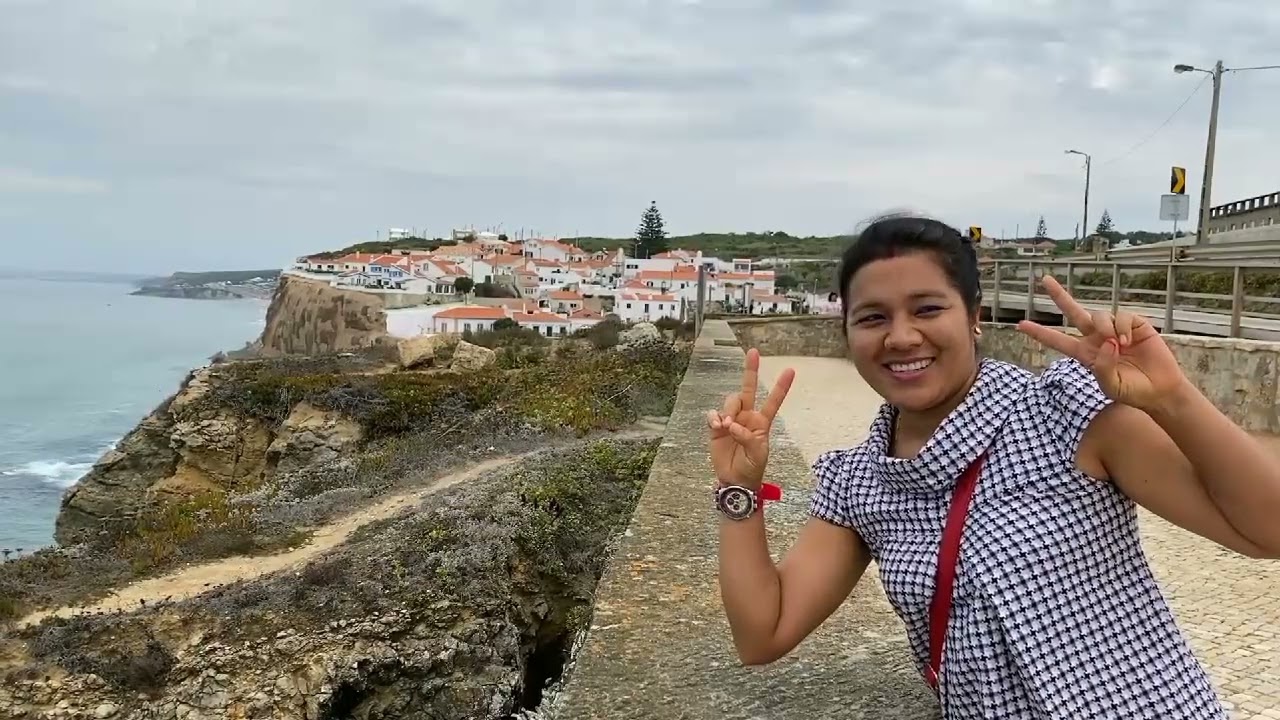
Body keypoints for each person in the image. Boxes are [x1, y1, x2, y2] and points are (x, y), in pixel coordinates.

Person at [707, 214, 1280, 719]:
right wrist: (739, 492)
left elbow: (1267, 530)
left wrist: (1172, 398)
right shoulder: (859, 480)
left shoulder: (1065, 413)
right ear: (848, 333)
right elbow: (763, 633)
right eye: (873, 317)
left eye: (928, 309)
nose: (902, 337)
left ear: (974, 315)